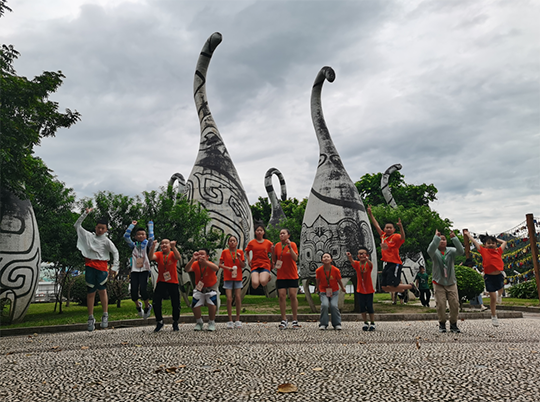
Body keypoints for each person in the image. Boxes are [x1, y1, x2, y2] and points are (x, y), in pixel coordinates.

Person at [74, 208, 119, 332]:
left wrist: (115, 267)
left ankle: (105, 315)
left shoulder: (106, 241)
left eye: (102, 228)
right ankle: (90, 317)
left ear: (106, 230)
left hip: (102, 268)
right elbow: (77, 225)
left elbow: (115, 252)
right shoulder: (88, 236)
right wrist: (85, 213)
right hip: (90, 267)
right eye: (98, 227)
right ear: (96, 227)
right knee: (90, 292)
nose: (100, 230)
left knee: (102, 291)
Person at [367, 206, 418, 297]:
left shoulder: (395, 237)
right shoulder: (383, 236)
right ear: (385, 229)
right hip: (388, 264)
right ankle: (403, 290)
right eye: (387, 227)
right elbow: (376, 225)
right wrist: (370, 214)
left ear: (394, 230)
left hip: (395, 263)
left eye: (391, 228)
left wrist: (401, 227)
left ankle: (411, 286)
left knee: (392, 284)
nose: (389, 229)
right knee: (384, 287)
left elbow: (403, 237)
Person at [464, 230, 507, 327]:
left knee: (500, 289)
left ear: (496, 244)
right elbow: (475, 242)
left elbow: (504, 242)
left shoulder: (498, 251)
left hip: (499, 274)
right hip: (489, 276)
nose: (491, 244)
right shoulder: (483, 251)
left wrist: (496, 239)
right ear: (485, 245)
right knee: (492, 297)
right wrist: (468, 235)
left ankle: (500, 296)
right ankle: (493, 316)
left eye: (493, 243)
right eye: (488, 243)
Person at [427, 230, 464, 333]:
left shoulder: (451, 251)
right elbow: (429, 250)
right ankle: (442, 324)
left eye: (444, 239)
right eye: (440, 240)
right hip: (438, 283)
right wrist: (436, 238)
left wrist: (454, 238)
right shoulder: (434, 252)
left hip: (451, 282)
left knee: (454, 304)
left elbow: (461, 251)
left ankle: (453, 324)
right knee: (441, 305)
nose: (442, 241)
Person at [123, 220, 154, 319]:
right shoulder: (133, 246)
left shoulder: (147, 244)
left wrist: (150, 226)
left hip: (144, 269)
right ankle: (138, 305)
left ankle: (147, 306)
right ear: (135, 236)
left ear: (145, 236)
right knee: (133, 291)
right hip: (135, 270)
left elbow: (151, 238)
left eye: (143, 234)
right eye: (138, 234)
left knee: (143, 290)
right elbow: (126, 237)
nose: (141, 236)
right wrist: (132, 225)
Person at [150, 239, 181, 332]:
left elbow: (178, 257)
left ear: (170, 245)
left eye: (166, 243)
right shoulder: (159, 254)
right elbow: (151, 257)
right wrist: (153, 247)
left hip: (173, 282)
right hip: (162, 281)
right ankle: (159, 321)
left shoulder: (172, 254)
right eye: (162, 243)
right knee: (156, 302)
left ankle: (175, 321)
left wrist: (174, 247)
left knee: (176, 303)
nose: (164, 245)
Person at [185, 249, 220, 331]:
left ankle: (211, 322)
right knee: (194, 304)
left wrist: (206, 262)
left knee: (212, 303)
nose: (200, 256)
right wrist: (192, 259)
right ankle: (199, 322)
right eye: (199, 254)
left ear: (207, 256)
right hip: (199, 288)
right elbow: (187, 269)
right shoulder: (195, 264)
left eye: (202, 254)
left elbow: (216, 268)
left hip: (211, 288)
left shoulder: (210, 264)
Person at [272, 229, 300, 329]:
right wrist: (272, 251)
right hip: (281, 275)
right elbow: (275, 260)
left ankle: (295, 319)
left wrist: (289, 247)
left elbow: (295, 258)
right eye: (280, 233)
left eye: (283, 233)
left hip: (292, 274)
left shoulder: (293, 244)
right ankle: (284, 319)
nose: (281, 235)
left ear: (288, 235)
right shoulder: (277, 246)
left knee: (292, 295)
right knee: (282, 296)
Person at [219, 236, 245, 329]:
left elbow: (243, 265)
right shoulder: (225, 252)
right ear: (228, 243)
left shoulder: (240, 252)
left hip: (238, 277)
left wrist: (239, 258)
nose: (232, 242)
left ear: (237, 243)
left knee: (238, 297)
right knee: (229, 298)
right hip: (228, 277)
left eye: (234, 241)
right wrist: (228, 268)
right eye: (231, 241)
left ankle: (237, 319)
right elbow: (220, 264)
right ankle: (230, 320)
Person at [315, 253, 347, 330]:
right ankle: (323, 324)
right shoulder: (319, 270)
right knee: (324, 305)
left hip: (334, 291)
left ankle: (337, 324)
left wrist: (342, 288)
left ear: (331, 260)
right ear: (321, 260)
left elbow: (339, 280)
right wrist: (317, 288)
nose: (326, 258)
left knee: (334, 306)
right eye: (324, 257)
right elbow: (318, 280)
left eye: (328, 257)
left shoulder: (336, 270)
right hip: (323, 291)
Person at [347, 247, 376, 331]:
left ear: (367, 255)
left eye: (363, 253)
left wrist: (367, 260)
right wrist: (349, 257)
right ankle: (365, 322)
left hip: (369, 290)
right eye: (360, 253)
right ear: (358, 256)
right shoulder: (357, 264)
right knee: (362, 307)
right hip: (360, 290)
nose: (362, 255)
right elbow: (352, 262)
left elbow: (371, 265)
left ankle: (372, 322)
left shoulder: (368, 264)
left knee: (369, 307)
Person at [245, 224, 274, 290]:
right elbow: (247, 252)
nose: (259, 232)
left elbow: (273, 253)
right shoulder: (252, 243)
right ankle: (261, 276)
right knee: (255, 285)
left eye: (261, 230)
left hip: (265, 264)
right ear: (255, 232)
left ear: (264, 232)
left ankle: (267, 277)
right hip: (255, 265)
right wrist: (249, 260)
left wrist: (273, 262)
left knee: (263, 282)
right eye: (258, 230)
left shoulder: (268, 243)